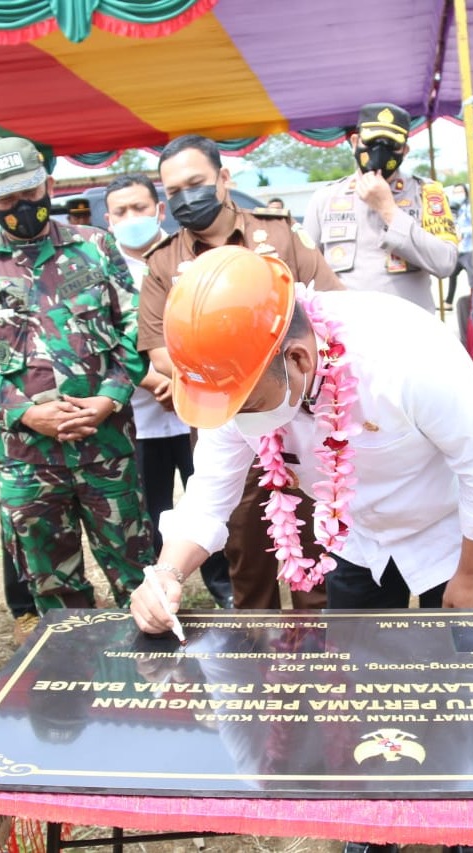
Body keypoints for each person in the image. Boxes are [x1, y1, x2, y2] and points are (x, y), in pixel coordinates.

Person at [130, 246, 473, 852]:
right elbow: (209, 494)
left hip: (452, 534)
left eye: (252, 407)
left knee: (465, 685)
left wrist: (470, 575)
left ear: (301, 358)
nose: (243, 422)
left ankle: (464, 821)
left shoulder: (408, 356)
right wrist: (166, 574)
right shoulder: (238, 373)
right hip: (356, 540)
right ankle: (371, 820)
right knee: (359, 686)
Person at [0, 136, 155, 613]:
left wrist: (110, 397)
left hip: (107, 450)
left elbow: (135, 329)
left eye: (29, 193)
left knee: (137, 575)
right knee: (56, 594)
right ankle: (75, 681)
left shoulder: (97, 247)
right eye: (6, 199)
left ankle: (154, 679)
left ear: (49, 186)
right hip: (28, 461)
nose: (22, 207)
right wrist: (26, 414)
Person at [138, 133, 342, 612]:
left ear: (223, 179)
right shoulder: (164, 261)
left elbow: (330, 309)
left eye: (196, 183)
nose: (186, 198)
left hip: (298, 417)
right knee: (244, 545)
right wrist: (221, 367)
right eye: (173, 192)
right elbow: (156, 348)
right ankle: (257, 650)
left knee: (314, 534)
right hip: (225, 419)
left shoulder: (280, 236)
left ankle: (320, 643)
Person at [104, 173, 233, 608]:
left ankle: (223, 586)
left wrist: (183, 381)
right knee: (150, 507)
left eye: (139, 208)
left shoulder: (187, 252)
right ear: (108, 219)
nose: (132, 218)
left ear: (158, 209)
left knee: (210, 495)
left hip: (199, 410)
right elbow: (107, 338)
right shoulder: (101, 265)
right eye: (121, 211)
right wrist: (154, 379)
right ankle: (157, 590)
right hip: (140, 414)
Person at [304, 102, 458, 313]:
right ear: (355, 142)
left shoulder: (427, 194)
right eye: (373, 141)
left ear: (404, 150)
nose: (380, 151)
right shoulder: (325, 199)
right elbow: (305, 273)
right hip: (347, 332)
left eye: (390, 145)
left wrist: (389, 210)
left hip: (411, 331)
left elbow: (445, 263)